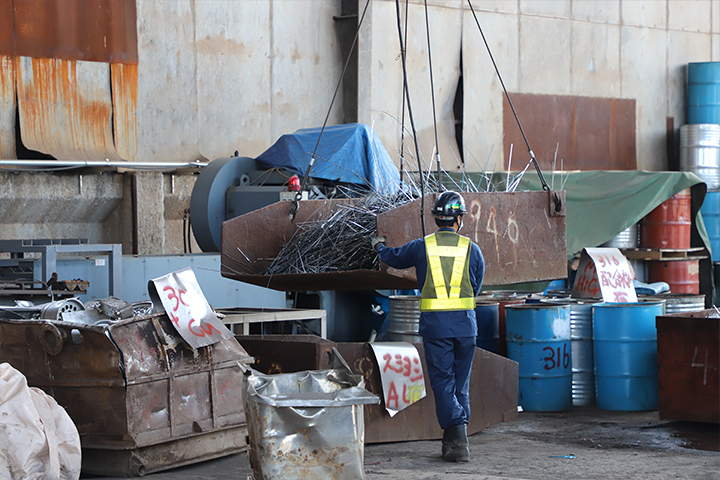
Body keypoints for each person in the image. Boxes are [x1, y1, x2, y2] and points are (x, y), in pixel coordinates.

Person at [372, 191, 485, 463]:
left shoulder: (422, 246)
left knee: (443, 381)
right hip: (466, 326)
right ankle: (456, 439)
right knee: (460, 382)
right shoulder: (472, 249)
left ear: (436, 218)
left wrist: (377, 247)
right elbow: (477, 283)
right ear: (459, 219)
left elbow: (393, 257)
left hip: (437, 327)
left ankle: (457, 436)